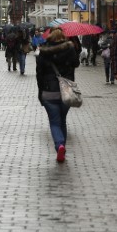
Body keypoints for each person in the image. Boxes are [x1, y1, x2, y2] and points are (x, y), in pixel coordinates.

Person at [36, 27, 80, 163]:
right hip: (66, 91)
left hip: (49, 91)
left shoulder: (43, 51)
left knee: (54, 122)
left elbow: (39, 74)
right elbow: (76, 64)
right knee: (62, 121)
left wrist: (40, 93)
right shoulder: (69, 49)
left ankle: (59, 144)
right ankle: (62, 146)